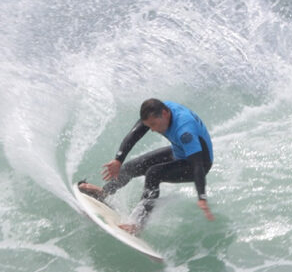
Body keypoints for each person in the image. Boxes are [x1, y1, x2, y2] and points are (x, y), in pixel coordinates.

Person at [78, 98, 214, 234]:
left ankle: (138, 224)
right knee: (132, 166)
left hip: (198, 164)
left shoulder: (185, 130)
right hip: (179, 151)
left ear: (165, 113)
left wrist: (201, 197)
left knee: (154, 173)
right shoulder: (156, 111)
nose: (153, 130)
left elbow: (197, 166)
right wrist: (118, 160)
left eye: (154, 124)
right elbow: (135, 134)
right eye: (149, 126)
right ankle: (105, 192)